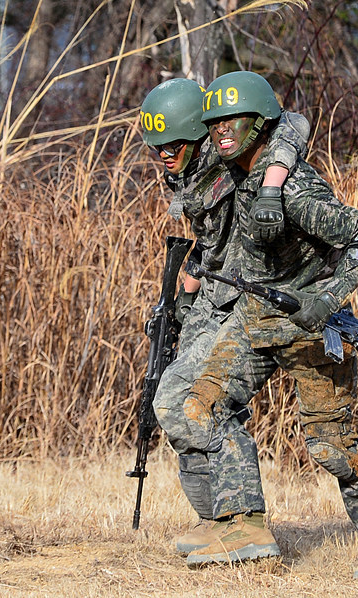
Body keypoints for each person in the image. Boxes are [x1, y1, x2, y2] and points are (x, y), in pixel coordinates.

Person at [178, 71, 358, 578]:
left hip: (310, 329)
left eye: (231, 119)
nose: (220, 129)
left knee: (331, 443)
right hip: (255, 320)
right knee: (202, 407)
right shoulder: (232, 167)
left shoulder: (294, 190)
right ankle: (245, 524)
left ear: (259, 123)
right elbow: (197, 156)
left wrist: (327, 299)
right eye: (214, 120)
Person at [138, 78, 309, 557]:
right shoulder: (185, 174)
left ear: (196, 135)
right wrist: (178, 307)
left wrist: (273, 182)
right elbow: (206, 242)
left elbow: (292, 123)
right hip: (212, 292)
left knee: (201, 400)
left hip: (250, 296)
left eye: (172, 145)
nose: (164, 156)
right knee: (168, 399)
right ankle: (215, 518)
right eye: (157, 148)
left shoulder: (227, 154)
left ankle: (246, 522)